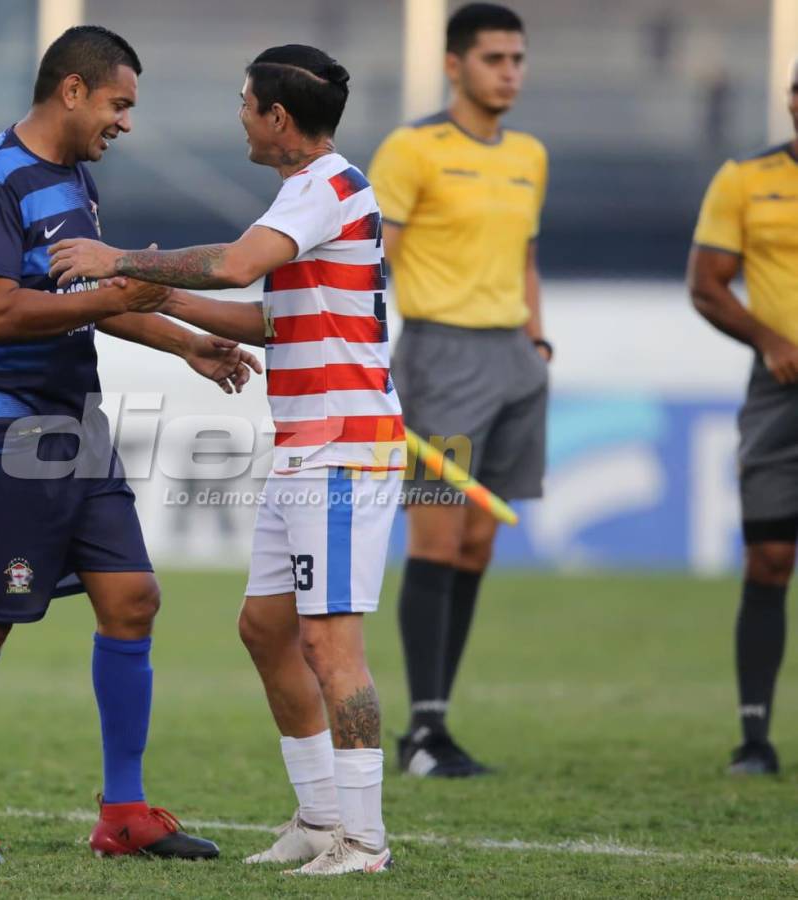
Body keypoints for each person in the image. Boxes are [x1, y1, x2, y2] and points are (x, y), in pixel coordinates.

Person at [49, 43, 402, 877]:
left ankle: (364, 841)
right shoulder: (309, 197)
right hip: (306, 449)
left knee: (330, 647)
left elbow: (239, 266)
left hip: (344, 452)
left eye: (245, 103)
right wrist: (169, 302)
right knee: (265, 630)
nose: (239, 115)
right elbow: (277, 322)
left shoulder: (324, 188)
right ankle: (320, 820)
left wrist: (120, 260)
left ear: (277, 118)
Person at [0, 25, 261, 863]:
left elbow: (93, 299)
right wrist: (118, 289)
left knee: (134, 599)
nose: (126, 123)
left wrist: (182, 342)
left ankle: (122, 814)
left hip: (75, 426)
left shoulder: (71, 181)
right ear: (71, 92)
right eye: (119, 104)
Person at [366, 2, 550, 779]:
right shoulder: (411, 150)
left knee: (478, 542)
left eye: (515, 58)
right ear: (454, 65)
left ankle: (436, 723)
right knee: (436, 535)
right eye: (492, 59)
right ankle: (422, 733)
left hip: (513, 359)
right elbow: (372, 263)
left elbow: (525, 256)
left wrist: (536, 342)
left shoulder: (530, 154)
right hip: (439, 357)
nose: (508, 71)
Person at [688, 57, 798, 776]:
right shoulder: (744, 179)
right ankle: (754, 736)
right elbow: (705, 283)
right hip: (778, 389)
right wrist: (769, 339)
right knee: (768, 556)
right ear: (789, 100)